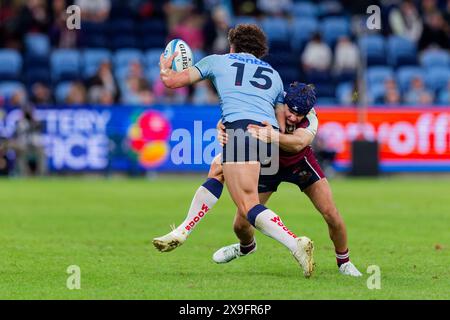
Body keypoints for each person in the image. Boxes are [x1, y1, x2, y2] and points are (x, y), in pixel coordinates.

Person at [155, 24, 315, 277]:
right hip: (267, 138)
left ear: (232, 45)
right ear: (260, 52)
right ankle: (183, 230)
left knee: (248, 207)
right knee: (217, 170)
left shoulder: (218, 61)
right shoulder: (273, 74)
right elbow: (281, 121)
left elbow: (173, 82)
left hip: (241, 132)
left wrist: (165, 66)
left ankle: (295, 244)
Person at [155, 82, 362, 277]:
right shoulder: (267, 102)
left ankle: (344, 262)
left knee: (331, 213)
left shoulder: (311, 118)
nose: (292, 117)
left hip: (299, 163)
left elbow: (300, 142)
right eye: (290, 110)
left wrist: (272, 135)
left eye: (299, 114)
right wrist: (221, 130)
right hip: (266, 162)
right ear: (284, 101)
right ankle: (246, 248)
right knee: (240, 225)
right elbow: (231, 118)